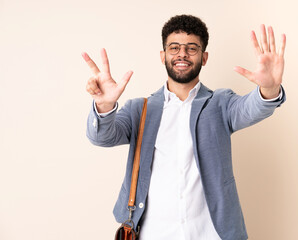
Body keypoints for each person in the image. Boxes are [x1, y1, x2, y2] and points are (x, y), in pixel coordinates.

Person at [83, 14, 286, 240]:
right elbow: (101, 136)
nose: (182, 54)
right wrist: (104, 104)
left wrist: (269, 90)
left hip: (212, 234)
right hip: (153, 234)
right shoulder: (139, 109)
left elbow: (252, 108)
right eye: (174, 47)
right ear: (163, 56)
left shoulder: (220, 103)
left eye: (192, 48)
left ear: (204, 57)